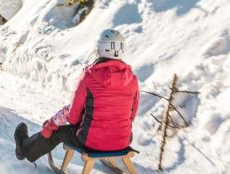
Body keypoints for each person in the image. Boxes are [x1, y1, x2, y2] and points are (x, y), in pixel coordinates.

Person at [14, 29, 139, 162]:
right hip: (123, 141)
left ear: (99, 48)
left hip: (92, 141)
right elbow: (132, 116)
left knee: (57, 133)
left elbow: (73, 118)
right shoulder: (133, 79)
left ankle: (24, 149)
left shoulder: (89, 76)